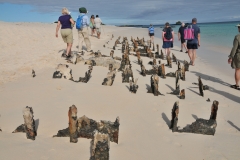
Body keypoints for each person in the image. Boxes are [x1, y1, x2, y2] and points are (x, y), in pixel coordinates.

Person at [228, 24, 240, 90]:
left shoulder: (237, 37)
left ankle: (237, 85)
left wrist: (231, 57)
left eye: (238, 27)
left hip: (238, 55)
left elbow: (234, 48)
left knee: (237, 69)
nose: (238, 28)